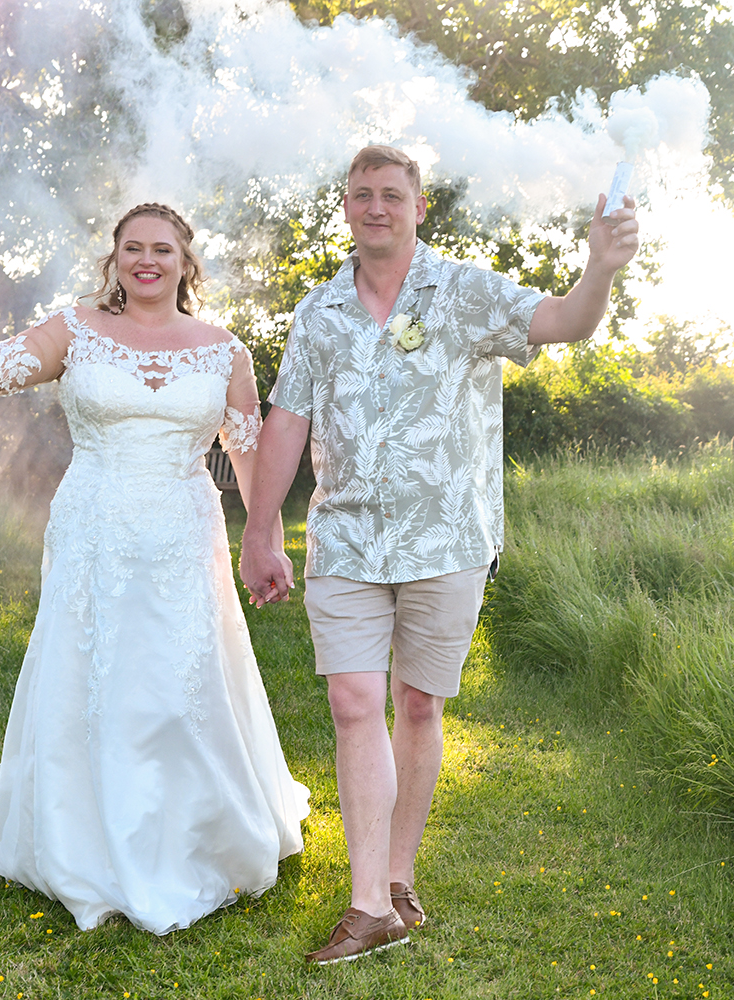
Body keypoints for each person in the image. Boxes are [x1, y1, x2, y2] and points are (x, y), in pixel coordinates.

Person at [238, 145, 639, 964]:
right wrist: (261, 528)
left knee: (417, 705)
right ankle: (366, 904)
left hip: (448, 539)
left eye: (392, 194)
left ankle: (397, 875)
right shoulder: (317, 313)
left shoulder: (465, 290)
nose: (375, 207)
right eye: (361, 195)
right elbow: (287, 422)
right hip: (346, 537)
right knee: (355, 704)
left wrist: (599, 269)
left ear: (420, 206)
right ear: (345, 208)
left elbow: (566, 322)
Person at [0, 202, 310, 934]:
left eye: (163, 249)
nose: (147, 260)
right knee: (96, 675)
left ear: (186, 262)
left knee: (180, 684)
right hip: (94, 530)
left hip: (184, 534)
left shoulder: (225, 352)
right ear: (114, 259)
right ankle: (83, 838)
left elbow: (248, 460)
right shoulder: (75, 329)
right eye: (132, 248)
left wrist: (265, 538)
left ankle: (192, 836)